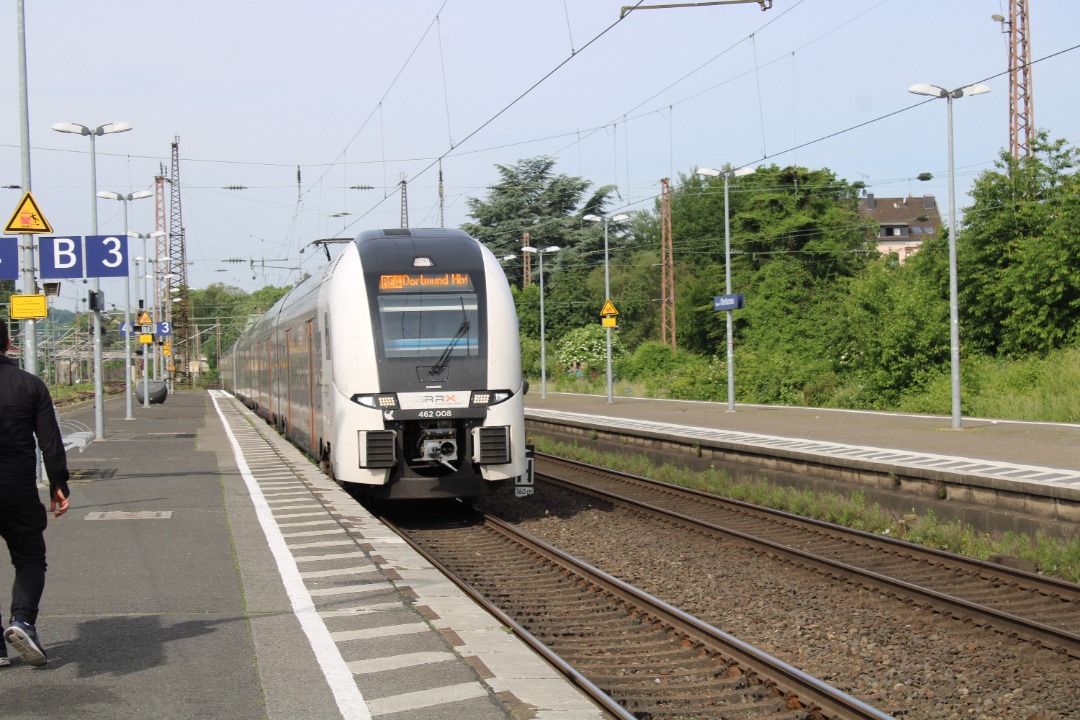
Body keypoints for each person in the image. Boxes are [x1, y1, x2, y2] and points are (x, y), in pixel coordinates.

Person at [0, 321, 69, 667]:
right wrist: (59, 483)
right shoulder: (30, 385)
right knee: (29, 558)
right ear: (8, 343)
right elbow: (50, 441)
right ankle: (22, 620)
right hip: (16, 489)